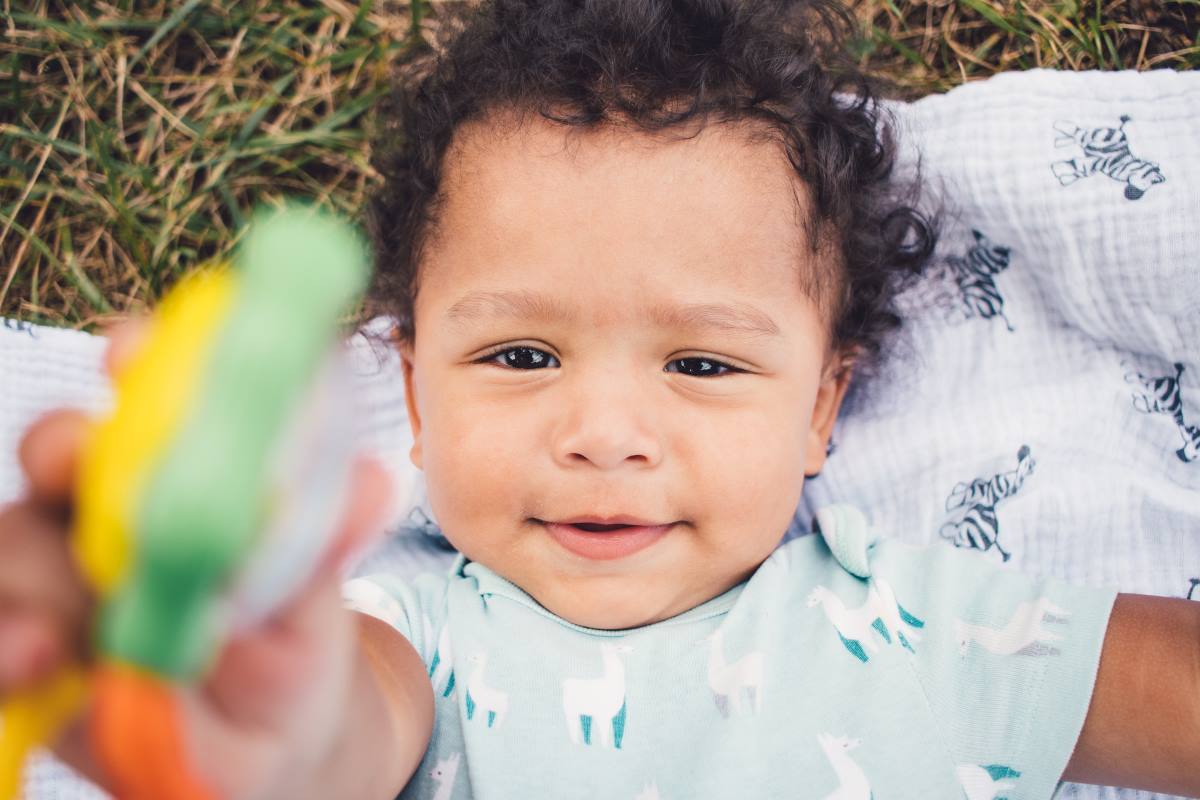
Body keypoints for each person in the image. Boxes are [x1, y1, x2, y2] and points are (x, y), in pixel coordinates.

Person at [2, 0, 1198, 797]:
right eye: (521, 356)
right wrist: (243, 675)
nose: (604, 436)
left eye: (703, 364)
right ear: (412, 394)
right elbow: (325, 732)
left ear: (825, 407)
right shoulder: (419, 632)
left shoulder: (914, 621)